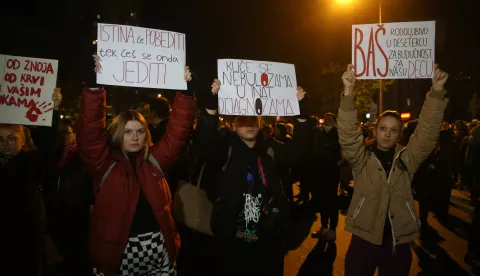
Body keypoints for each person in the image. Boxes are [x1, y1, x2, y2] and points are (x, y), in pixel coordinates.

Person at [77, 57, 195, 276]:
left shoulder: (155, 161)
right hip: (119, 254)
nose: (134, 137)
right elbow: (90, 133)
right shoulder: (104, 165)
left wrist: (186, 94)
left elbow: (177, 133)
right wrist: (93, 89)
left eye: (140, 131)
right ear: (118, 133)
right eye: (128, 132)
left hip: (159, 250)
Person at [339, 64, 449, 276]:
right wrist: (348, 92)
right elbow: (348, 135)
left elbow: (426, 134)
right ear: (375, 130)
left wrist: (436, 92)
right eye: (383, 128)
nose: (387, 134)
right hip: (363, 241)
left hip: (397, 244)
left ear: (399, 134)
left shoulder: (408, 158)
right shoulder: (362, 157)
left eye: (394, 130)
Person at [194, 78, 310, 276]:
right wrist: (211, 109)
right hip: (232, 240)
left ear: (260, 123)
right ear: (232, 125)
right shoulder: (226, 149)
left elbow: (298, 151)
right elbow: (204, 145)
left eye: (252, 120)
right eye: (242, 120)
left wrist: (301, 113)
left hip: (269, 239)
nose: (248, 124)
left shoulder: (270, 149)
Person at [0, 90, 62, 275]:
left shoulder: (31, 161)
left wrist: (53, 109)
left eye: (12, 138)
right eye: (0, 139)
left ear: (23, 139)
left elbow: (46, 140)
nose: (5, 143)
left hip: (25, 241)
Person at [310, 112, 342, 241]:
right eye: (326, 120)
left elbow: (341, 154)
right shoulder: (320, 134)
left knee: (332, 202)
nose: (327, 122)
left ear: (335, 122)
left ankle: (333, 229)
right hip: (320, 172)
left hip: (332, 173)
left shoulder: (338, 135)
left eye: (330, 120)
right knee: (322, 201)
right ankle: (324, 226)